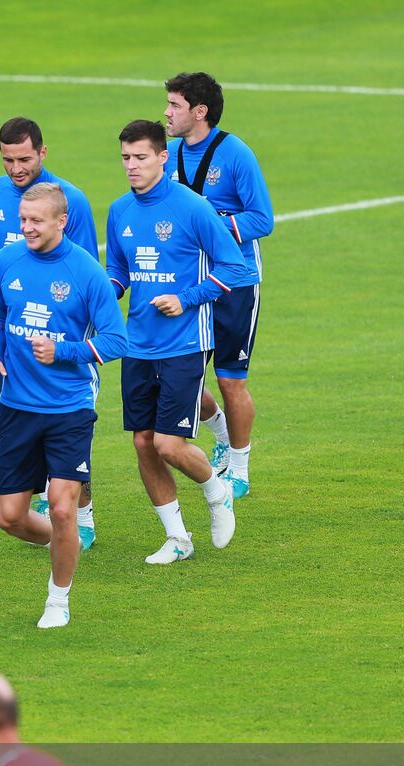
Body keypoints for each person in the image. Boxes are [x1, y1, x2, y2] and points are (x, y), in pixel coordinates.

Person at [0, 183, 127, 628]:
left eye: (36, 221)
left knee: (63, 507)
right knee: (9, 518)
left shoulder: (86, 272)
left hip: (69, 407)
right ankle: (65, 542)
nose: (25, 228)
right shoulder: (6, 262)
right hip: (18, 406)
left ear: (61, 222)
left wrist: (63, 352)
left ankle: (58, 600)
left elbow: (116, 339)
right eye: (22, 220)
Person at [105, 120, 247, 564]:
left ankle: (216, 490)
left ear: (163, 157)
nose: (132, 166)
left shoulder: (192, 207)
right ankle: (177, 538)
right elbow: (119, 272)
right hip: (137, 345)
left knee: (169, 444)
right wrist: (102, 298)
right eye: (126, 158)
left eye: (141, 157)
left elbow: (234, 266)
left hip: (185, 342)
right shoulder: (119, 211)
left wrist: (185, 299)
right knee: (144, 443)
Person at [0, 117, 101, 549]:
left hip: (59, 336)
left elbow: (88, 271)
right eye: (8, 160)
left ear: (43, 152)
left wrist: (74, 345)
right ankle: (41, 495)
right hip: (13, 330)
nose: (16, 168)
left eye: (24, 159)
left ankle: (83, 513)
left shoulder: (69, 200)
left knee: (66, 427)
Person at [164, 72, 273, 499]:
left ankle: (240, 469)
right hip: (189, 286)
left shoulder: (236, 154)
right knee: (182, 375)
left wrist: (211, 228)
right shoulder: (168, 156)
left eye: (174, 105)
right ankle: (223, 435)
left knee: (230, 379)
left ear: (199, 111)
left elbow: (262, 219)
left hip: (234, 282)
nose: (167, 112)